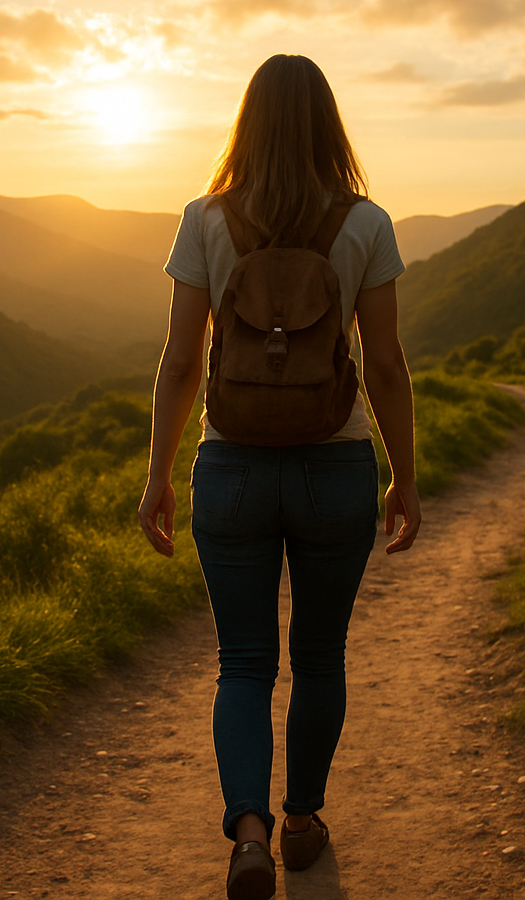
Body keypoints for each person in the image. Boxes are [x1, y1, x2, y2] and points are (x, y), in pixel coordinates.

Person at [137, 54, 421, 900]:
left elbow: (181, 360)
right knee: (321, 655)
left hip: (229, 470)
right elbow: (388, 367)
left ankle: (248, 833)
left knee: (244, 662)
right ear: (328, 123)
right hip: (334, 467)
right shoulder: (367, 223)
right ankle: (301, 821)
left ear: (246, 122)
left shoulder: (204, 218)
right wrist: (404, 477)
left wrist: (157, 474)